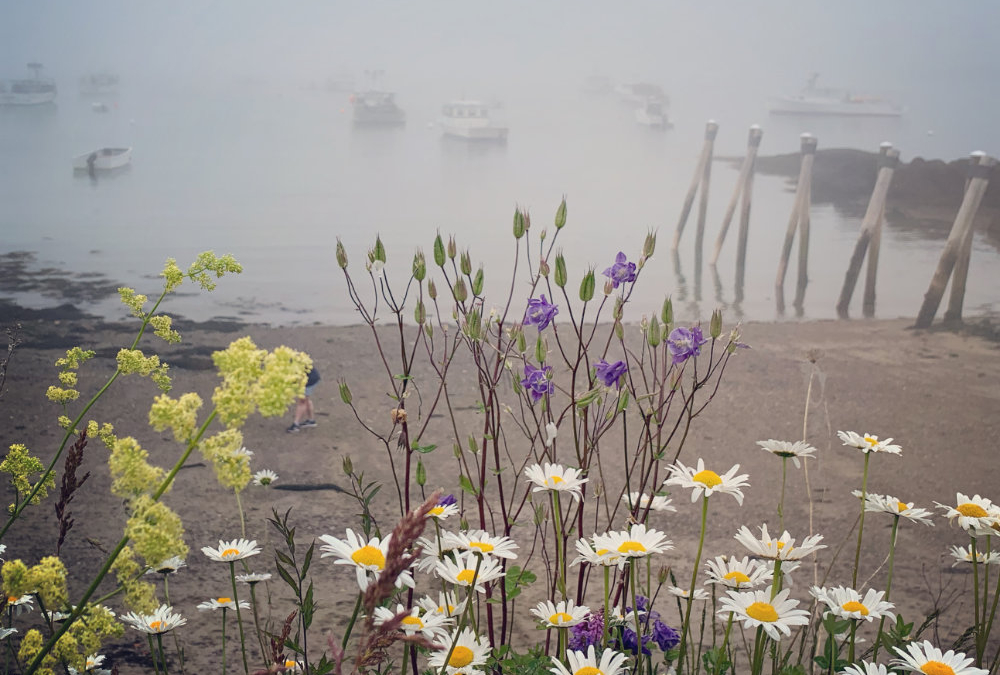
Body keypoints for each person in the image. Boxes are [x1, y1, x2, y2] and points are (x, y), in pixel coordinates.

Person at [287, 366, 320, 433]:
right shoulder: (296, 358)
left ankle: (295, 425)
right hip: (311, 378)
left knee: (302, 402)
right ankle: (311, 421)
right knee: (306, 400)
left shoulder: (292, 361)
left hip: (309, 380)